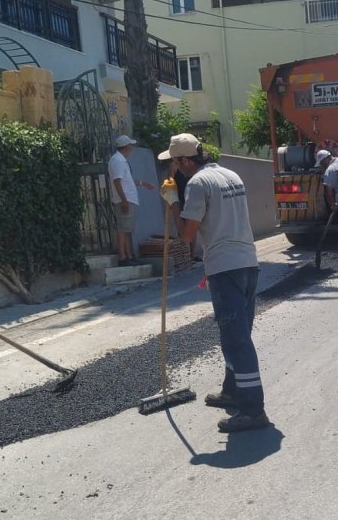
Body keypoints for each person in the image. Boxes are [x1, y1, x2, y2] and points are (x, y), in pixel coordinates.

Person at [159, 133, 270, 433]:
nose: (175, 169)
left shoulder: (196, 184)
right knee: (237, 333)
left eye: (175, 163)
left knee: (236, 340)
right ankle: (232, 390)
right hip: (247, 262)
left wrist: (172, 202)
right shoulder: (230, 174)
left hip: (225, 266)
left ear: (184, 160)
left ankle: (252, 409)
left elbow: (187, 234)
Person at [109, 134, 155, 266]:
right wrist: (123, 200)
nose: (132, 148)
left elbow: (126, 181)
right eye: (130, 146)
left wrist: (142, 183)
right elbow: (117, 182)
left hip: (128, 199)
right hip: (125, 199)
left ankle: (129, 255)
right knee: (123, 228)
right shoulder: (117, 161)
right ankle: (122, 257)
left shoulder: (121, 160)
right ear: (127, 147)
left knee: (127, 228)